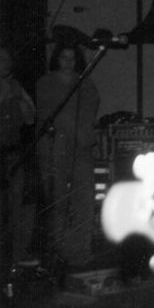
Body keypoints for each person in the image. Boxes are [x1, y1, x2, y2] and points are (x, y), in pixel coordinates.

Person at [36, 40, 100, 271]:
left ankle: (81, 251)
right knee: (57, 200)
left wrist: (84, 136)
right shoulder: (46, 82)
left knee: (84, 199)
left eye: (72, 58)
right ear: (57, 59)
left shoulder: (86, 83)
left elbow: (90, 112)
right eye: (64, 57)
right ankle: (59, 250)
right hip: (55, 148)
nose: (68, 62)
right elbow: (48, 114)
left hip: (80, 148)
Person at [0, 45, 37, 268]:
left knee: (19, 205)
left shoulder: (15, 86)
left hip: (12, 154)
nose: (6, 63)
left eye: (7, 59)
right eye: (0, 58)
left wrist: (20, 98)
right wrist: (3, 93)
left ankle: (18, 255)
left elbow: (30, 119)